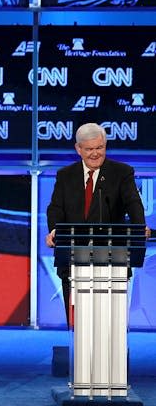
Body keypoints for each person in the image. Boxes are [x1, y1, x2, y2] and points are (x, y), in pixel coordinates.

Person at [45, 122, 148, 324]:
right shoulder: (65, 175)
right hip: (73, 260)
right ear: (78, 149)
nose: (95, 154)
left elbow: (133, 203)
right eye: (89, 149)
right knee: (78, 324)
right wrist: (55, 231)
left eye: (99, 148)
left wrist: (139, 227)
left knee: (109, 323)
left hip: (112, 261)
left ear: (105, 146)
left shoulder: (122, 173)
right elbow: (56, 208)